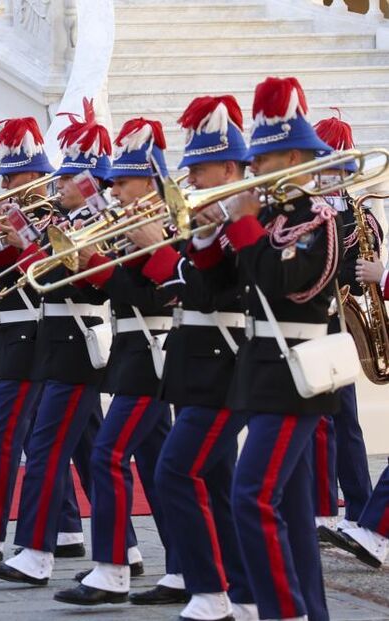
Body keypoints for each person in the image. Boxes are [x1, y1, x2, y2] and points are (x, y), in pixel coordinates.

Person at [188, 76, 338, 621]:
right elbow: (216, 292)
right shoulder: (267, 219)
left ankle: (284, 612)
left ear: (294, 156)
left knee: (252, 497)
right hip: (261, 375)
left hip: (293, 379)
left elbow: (292, 283)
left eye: (265, 160)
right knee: (293, 513)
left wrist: (245, 224)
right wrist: (208, 237)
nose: (252, 171)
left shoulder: (323, 217)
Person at [0, 117, 91, 566]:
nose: (4, 181)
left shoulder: (50, 218)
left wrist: (13, 238)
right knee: (50, 444)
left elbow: (42, 274)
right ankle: (65, 528)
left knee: (6, 437)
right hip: (17, 333)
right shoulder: (15, 216)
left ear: (35, 175)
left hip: (36, 336)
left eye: (13, 174)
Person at [0, 102, 110, 586]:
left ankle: (24, 545)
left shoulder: (73, 220)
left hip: (67, 341)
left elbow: (63, 279)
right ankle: (101, 545)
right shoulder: (57, 220)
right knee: (87, 450)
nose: (9, 187)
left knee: (57, 448)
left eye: (17, 179)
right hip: (48, 340)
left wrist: (21, 244)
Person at [54, 117, 182, 608]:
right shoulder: (131, 225)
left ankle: (112, 568)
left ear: (150, 181)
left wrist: (98, 268)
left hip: (151, 352)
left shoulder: (167, 226)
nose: (115, 189)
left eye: (123, 181)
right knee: (159, 468)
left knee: (108, 455)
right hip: (133, 352)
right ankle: (185, 565)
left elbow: (155, 299)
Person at [145, 95, 256, 621]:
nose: (188, 179)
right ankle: (242, 589)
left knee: (175, 473)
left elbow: (213, 292)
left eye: (199, 168)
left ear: (229, 168)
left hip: (224, 363)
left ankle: (211, 590)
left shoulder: (248, 219)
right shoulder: (215, 219)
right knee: (217, 483)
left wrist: (169, 254)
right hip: (194, 363)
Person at [309, 113, 379, 543]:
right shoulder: (304, 207)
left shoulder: (358, 216)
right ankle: (320, 508)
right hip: (305, 325)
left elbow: (354, 272)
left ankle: (355, 506)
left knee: (342, 421)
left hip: (336, 322)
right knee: (319, 423)